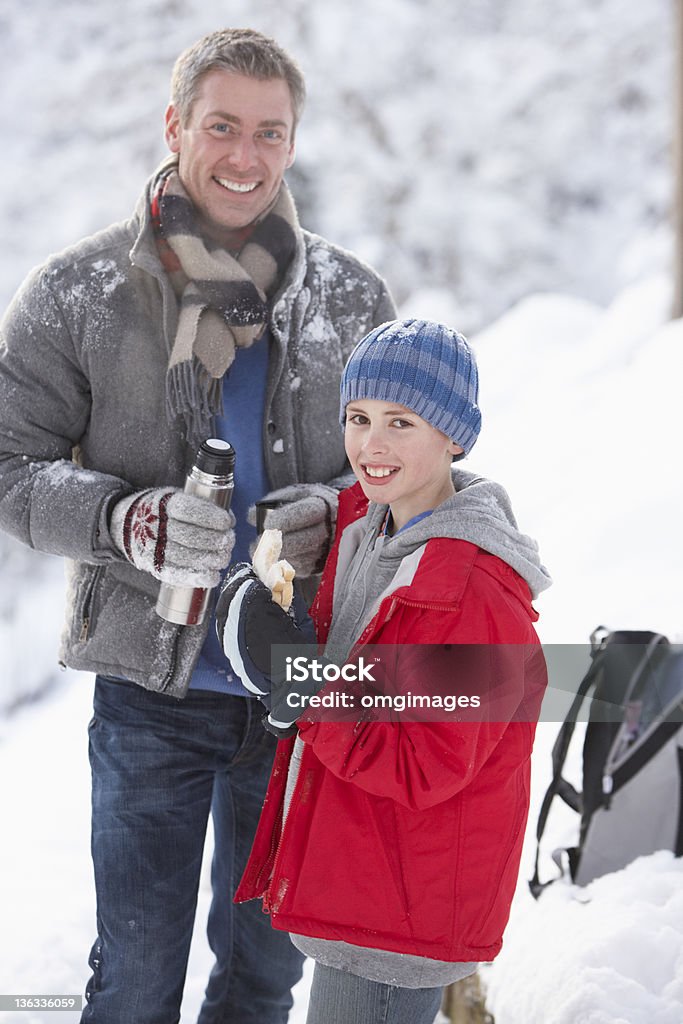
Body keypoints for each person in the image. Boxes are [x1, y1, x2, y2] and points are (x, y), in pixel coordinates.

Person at [0, 28, 395, 1024]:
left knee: (264, 976)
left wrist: (333, 508)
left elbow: (401, 480)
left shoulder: (349, 300)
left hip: (299, 682)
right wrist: (120, 518)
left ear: (293, 142)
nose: (243, 154)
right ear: (174, 126)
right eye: (221, 125)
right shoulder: (77, 294)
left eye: (269, 131)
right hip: (148, 689)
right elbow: (8, 466)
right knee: (133, 984)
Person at [216, 318, 552, 1024]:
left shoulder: (469, 590)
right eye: (359, 417)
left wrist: (302, 685)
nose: (372, 444)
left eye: (401, 422)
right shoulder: (375, 529)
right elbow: (349, 513)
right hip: (364, 882)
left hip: (402, 908)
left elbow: (424, 763)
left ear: (454, 435)